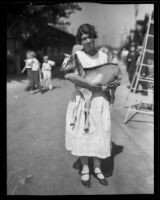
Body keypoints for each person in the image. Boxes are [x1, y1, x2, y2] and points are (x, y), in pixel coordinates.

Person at [65, 24, 119, 188]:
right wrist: (89, 85)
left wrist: (110, 86)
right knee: (83, 133)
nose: (87, 41)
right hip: (82, 100)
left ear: (94, 36)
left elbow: (111, 77)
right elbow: (69, 75)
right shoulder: (77, 55)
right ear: (80, 41)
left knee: (100, 134)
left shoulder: (103, 56)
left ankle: (97, 167)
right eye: (83, 38)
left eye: (89, 37)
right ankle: (85, 168)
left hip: (99, 101)